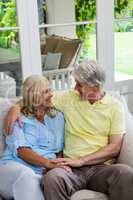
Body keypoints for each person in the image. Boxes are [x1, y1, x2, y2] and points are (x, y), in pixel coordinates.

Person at [4, 60, 133, 200]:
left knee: (124, 172)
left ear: (94, 86)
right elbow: (35, 98)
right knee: (52, 178)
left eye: (79, 84)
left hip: (99, 168)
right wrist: (15, 107)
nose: (75, 88)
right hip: (70, 169)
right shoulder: (68, 98)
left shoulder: (115, 106)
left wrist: (82, 160)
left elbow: (114, 147)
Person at [0, 75, 67, 200]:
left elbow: (59, 151)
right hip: (12, 168)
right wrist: (48, 164)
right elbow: (22, 151)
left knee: (37, 179)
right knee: (27, 176)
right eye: (46, 92)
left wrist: (57, 166)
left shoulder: (57, 117)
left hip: (42, 172)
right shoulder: (17, 117)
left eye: (50, 90)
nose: (51, 94)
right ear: (34, 96)